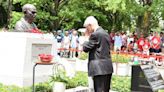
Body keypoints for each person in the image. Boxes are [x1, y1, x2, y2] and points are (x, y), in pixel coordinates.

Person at [82, 16, 113, 92]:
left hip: (98, 68)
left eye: (87, 28)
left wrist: (86, 37)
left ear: (90, 25)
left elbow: (85, 48)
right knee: (105, 89)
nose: (87, 30)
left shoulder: (95, 35)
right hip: (107, 66)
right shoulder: (105, 33)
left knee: (98, 89)